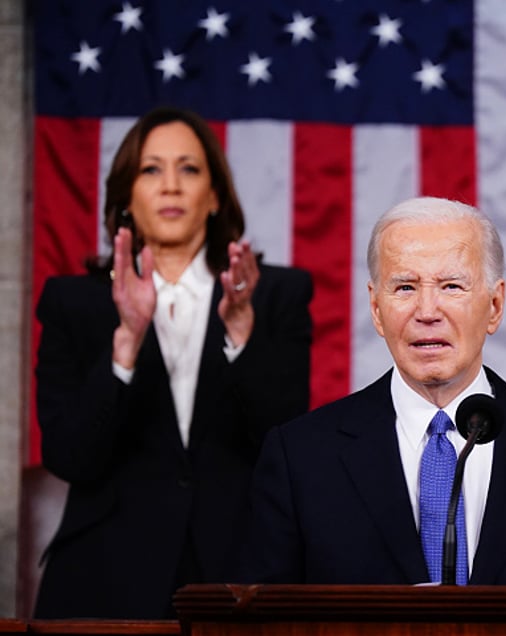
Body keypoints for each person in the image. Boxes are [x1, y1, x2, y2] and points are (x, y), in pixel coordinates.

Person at [239, 196, 506, 585]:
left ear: (495, 306)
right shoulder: (301, 458)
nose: (427, 312)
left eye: (451, 286)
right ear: (377, 310)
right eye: (405, 288)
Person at [33, 107, 313, 618]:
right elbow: (69, 457)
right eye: (150, 169)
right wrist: (126, 344)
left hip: (239, 576)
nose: (170, 186)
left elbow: (287, 444)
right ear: (125, 198)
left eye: (188, 169)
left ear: (213, 196)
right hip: (103, 579)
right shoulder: (72, 303)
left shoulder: (275, 296)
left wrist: (240, 333)